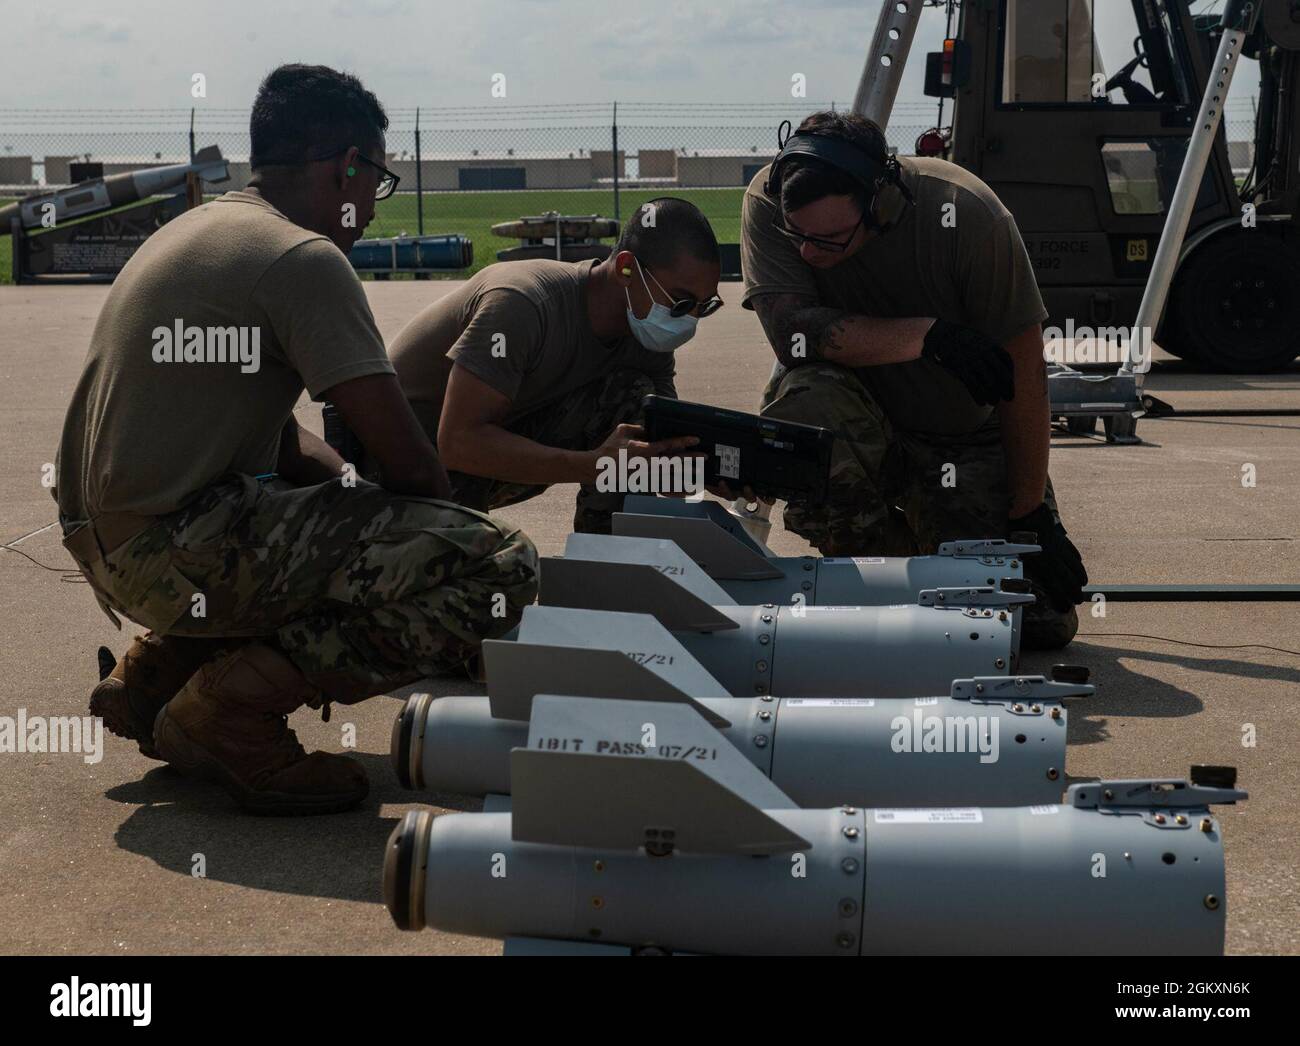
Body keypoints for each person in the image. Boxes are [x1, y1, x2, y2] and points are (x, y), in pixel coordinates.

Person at [55, 64, 538, 815]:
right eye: (375, 181)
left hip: (114, 542)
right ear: (346, 165)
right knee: (499, 562)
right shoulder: (303, 259)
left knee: (336, 531)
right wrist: (443, 542)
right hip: (174, 549)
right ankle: (229, 717)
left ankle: (164, 673)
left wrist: (357, 510)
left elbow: (282, 442)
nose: (372, 209)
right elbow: (410, 457)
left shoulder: (198, 230)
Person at [741, 110, 1087, 648]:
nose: (808, 253)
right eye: (799, 237)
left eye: (830, 239)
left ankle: (931, 566)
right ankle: (875, 569)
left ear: (881, 203)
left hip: (964, 439)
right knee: (809, 396)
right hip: (862, 426)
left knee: (1032, 626)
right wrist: (931, 336)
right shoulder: (770, 201)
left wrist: (1029, 512)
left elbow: (1025, 374)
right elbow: (795, 335)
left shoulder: (968, 215)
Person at [377, 197, 724, 533]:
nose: (689, 320)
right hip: (399, 469)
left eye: (703, 307)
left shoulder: (644, 335)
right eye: (681, 303)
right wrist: (594, 466)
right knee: (496, 571)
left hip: (480, 455)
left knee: (637, 404)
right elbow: (458, 442)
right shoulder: (522, 304)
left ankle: (610, 564)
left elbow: (661, 448)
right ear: (626, 268)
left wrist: (715, 472)